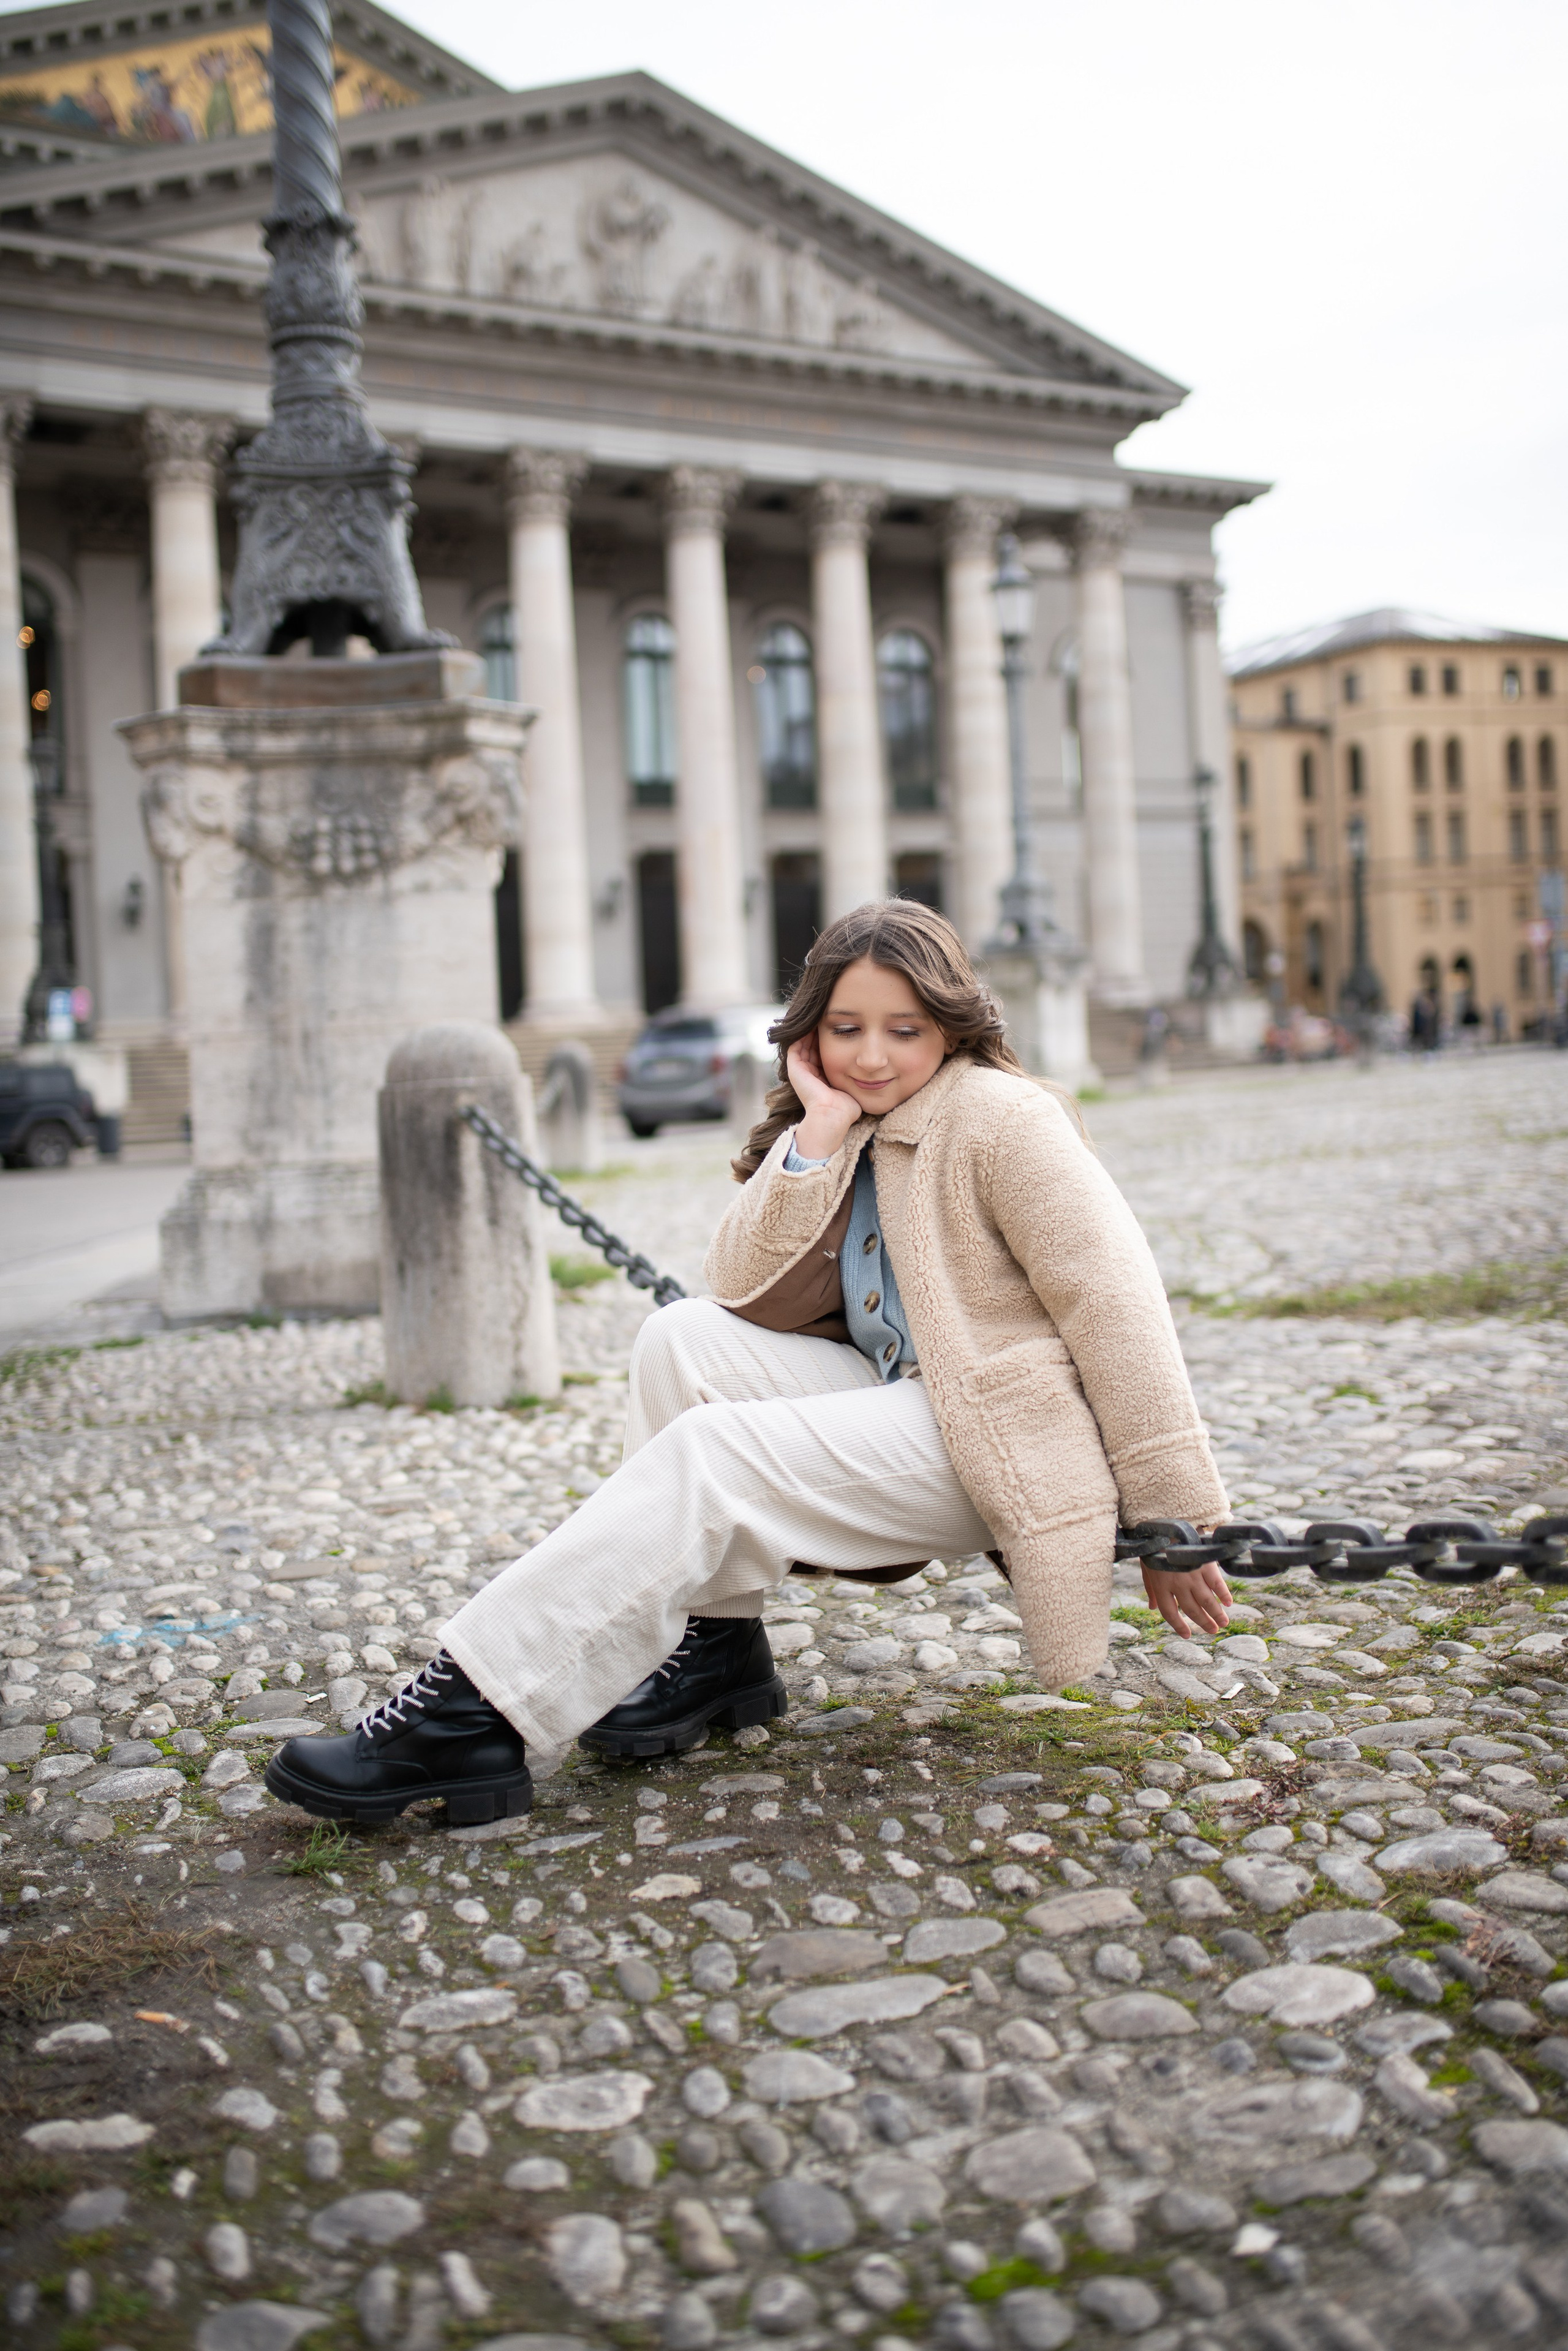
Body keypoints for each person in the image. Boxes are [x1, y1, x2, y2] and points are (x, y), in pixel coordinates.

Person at [266, 902, 1231, 1827]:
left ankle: (470, 1709)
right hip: (912, 1407)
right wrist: (813, 1135)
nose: (871, 1053)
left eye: (903, 1027)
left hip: (1007, 1438)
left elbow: (1114, 1300)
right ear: (810, 1031)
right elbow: (733, 1286)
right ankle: (719, 1648)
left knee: (713, 1456)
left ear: (951, 1021)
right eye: (846, 1026)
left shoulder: (1000, 1118)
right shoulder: (846, 1119)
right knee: (676, 1342)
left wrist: (1176, 1514)